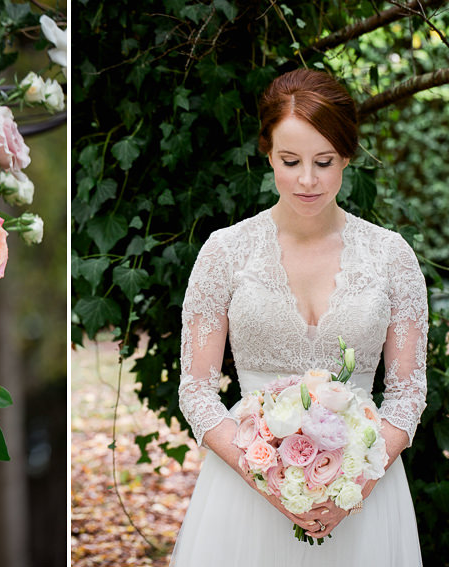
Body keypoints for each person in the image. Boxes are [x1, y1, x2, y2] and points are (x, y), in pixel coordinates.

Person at [171, 68, 426, 566]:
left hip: (362, 499)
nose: (307, 180)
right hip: (246, 497)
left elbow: (408, 393)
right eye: (290, 161)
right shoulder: (225, 252)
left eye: (324, 162)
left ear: (347, 157)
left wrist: (355, 485)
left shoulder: (392, 257)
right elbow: (197, 389)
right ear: (267, 154)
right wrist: (272, 484)